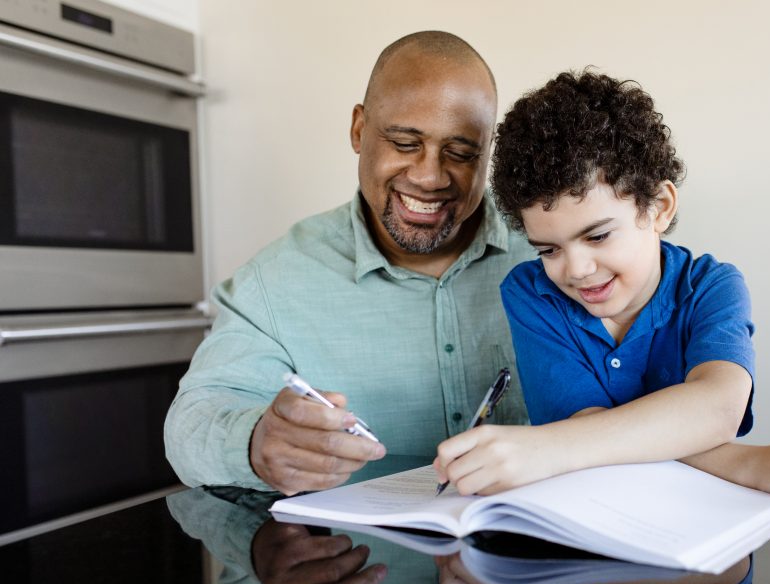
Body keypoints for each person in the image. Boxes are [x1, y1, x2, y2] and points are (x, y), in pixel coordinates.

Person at [435, 71, 770, 499]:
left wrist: (550, 447)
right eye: (548, 249)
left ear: (659, 207)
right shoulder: (532, 294)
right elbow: (587, 428)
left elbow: (717, 407)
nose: (577, 269)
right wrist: (751, 464)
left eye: (598, 236)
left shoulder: (712, 287)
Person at [164, 31, 534, 494]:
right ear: (359, 130)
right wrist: (255, 442)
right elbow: (189, 426)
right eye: (404, 142)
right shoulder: (275, 281)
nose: (429, 176)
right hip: (365, 559)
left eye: (460, 153)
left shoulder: (553, 243)